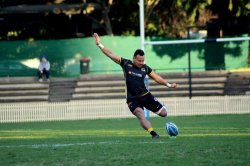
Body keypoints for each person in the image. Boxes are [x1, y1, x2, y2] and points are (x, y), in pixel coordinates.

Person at [93, 33, 177, 139]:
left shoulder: (145, 68)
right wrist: (99, 44)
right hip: (132, 99)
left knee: (164, 114)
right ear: (133, 58)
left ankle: (162, 106)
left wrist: (168, 85)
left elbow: (157, 78)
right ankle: (153, 134)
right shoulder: (125, 63)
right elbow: (110, 54)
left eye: (143, 60)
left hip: (146, 95)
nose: (141, 62)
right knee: (140, 115)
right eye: (139, 60)